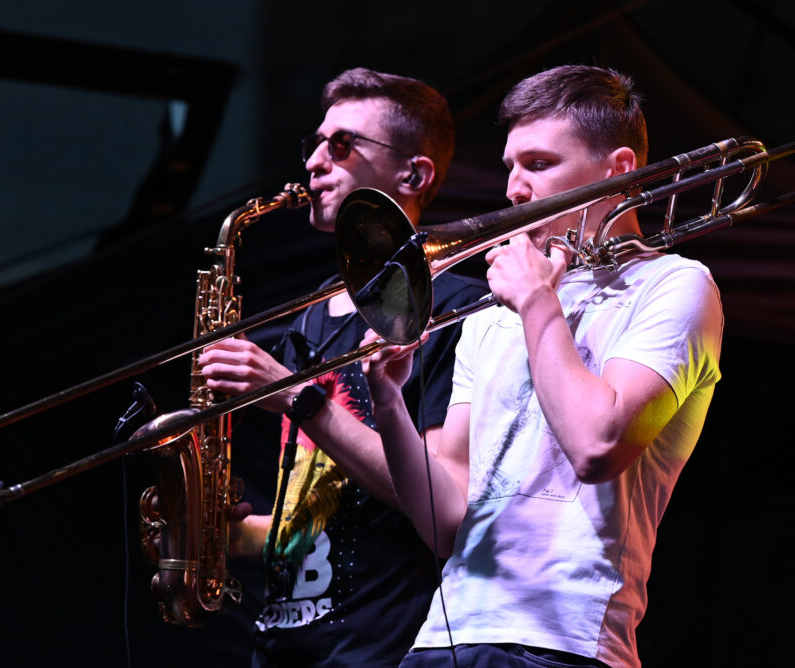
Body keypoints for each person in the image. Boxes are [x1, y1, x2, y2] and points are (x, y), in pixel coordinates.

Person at [360, 65, 724, 668]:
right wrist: (389, 405)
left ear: (621, 169)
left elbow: (597, 445)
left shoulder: (675, 285)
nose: (514, 189)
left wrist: (536, 302)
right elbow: (447, 519)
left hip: (563, 642)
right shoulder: (490, 312)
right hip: (442, 639)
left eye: (539, 163)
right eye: (510, 166)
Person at [197, 67, 488, 667]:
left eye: (343, 145)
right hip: (282, 641)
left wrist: (295, 395)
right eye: (316, 144)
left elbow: (432, 499)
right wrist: (230, 535)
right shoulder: (315, 309)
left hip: (378, 647)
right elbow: (318, 505)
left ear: (414, 173)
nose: (315, 164)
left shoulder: (455, 305)